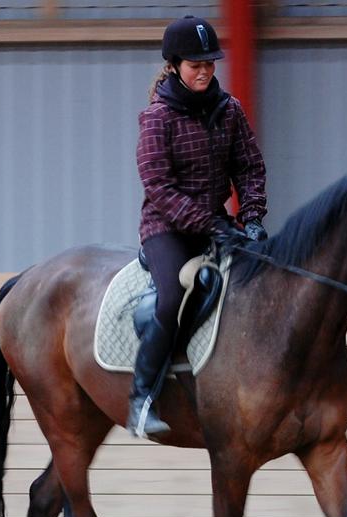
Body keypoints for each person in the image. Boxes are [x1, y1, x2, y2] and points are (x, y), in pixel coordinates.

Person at [130, 15, 268, 438]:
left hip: (219, 225)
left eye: (210, 63)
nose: (205, 70)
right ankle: (142, 398)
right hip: (167, 229)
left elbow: (249, 166)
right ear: (174, 65)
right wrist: (210, 224)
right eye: (196, 64)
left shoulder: (229, 111)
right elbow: (159, 187)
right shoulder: (157, 118)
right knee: (173, 297)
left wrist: (253, 217)